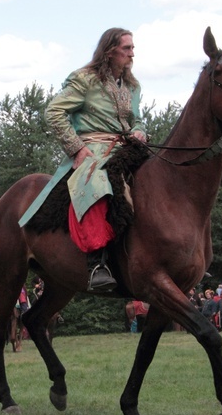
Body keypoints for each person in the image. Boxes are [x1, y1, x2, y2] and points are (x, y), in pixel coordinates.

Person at [18, 28, 146, 292]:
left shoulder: (133, 86)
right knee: (97, 184)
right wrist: (76, 149)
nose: (132, 53)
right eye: (127, 48)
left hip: (126, 145)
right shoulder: (84, 79)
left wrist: (139, 130)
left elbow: (138, 118)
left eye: (133, 48)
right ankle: (97, 263)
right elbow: (54, 111)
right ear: (110, 50)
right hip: (92, 148)